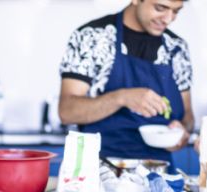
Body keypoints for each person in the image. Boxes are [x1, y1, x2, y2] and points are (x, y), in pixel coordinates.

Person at [58, 0, 194, 164]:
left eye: (176, 11)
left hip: (157, 168)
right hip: (98, 166)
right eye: (160, 8)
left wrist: (181, 131)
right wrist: (121, 98)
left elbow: (188, 116)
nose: (168, 19)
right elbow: (67, 111)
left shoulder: (177, 48)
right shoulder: (91, 37)